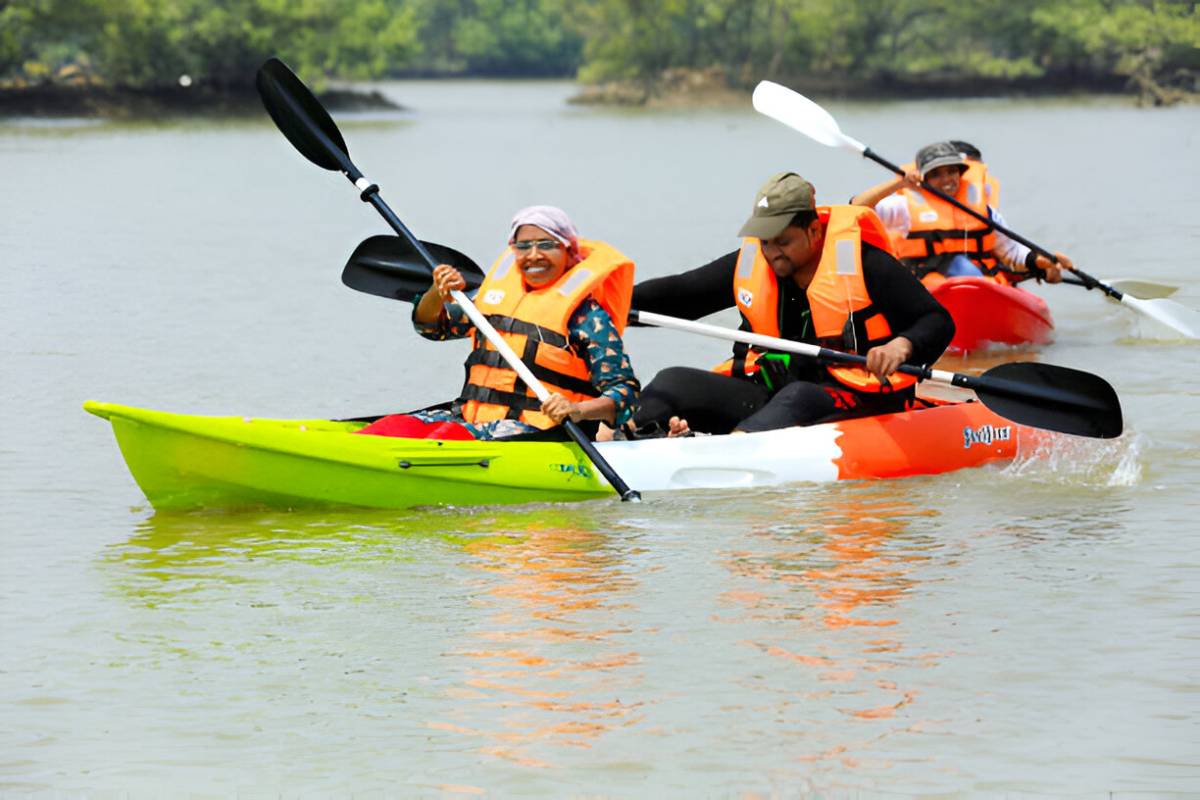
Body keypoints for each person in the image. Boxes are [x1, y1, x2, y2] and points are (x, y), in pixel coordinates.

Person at [630, 172, 955, 437]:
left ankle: (736, 448)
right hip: (774, 397)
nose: (772, 253)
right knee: (673, 380)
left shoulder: (866, 263)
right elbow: (682, 294)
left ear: (814, 231)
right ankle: (624, 437)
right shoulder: (756, 263)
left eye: (783, 241)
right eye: (766, 242)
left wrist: (902, 345)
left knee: (798, 394)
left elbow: (936, 320)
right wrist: (611, 305)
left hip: (856, 398)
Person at [356, 206, 640, 441]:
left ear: (568, 251)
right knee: (393, 428)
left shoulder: (587, 317)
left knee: (445, 438)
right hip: (470, 416)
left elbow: (625, 393)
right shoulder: (491, 299)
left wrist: (576, 410)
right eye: (523, 246)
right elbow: (432, 327)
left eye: (546, 244)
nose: (533, 255)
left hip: (541, 429)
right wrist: (436, 292)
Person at [849, 141, 1069, 286]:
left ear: (960, 173)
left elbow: (1012, 252)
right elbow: (857, 208)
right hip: (929, 284)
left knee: (967, 269)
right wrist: (897, 183)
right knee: (960, 269)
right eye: (936, 174)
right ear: (923, 179)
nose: (947, 179)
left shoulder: (984, 211)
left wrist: (1044, 262)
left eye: (951, 171)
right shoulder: (904, 207)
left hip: (977, 282)